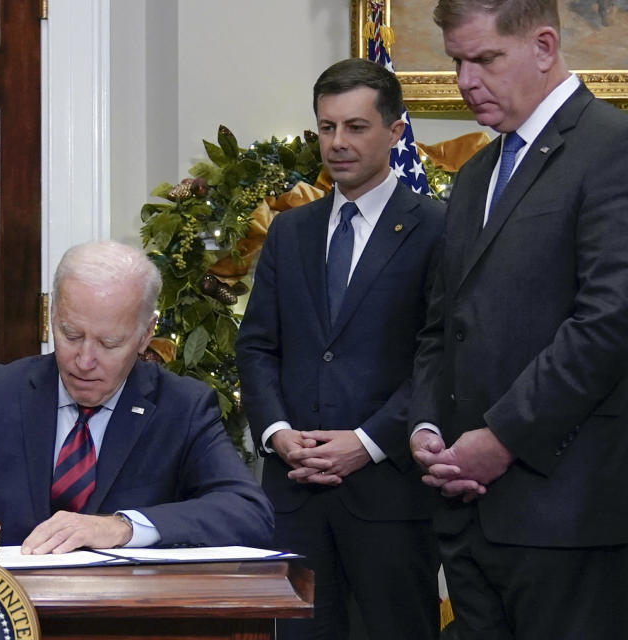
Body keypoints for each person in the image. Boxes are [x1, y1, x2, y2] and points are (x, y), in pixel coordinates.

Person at [409, 1, 628, 637]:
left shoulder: (611, 148)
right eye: (456, 61)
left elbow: (609, 321)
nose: (465, 81)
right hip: (468, 513)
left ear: (543, 46)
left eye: (485, 59)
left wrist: (502, 438)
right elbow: (440, 324)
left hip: (567, 515)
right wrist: (426, 425)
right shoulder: (478, 172)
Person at [0, 241, 273, 553]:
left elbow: (248, 512)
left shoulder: (182, 406)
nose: (84, 360)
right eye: (70, 335)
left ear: (146, 335)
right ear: (52, 316)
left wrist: (121, 528)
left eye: (109, 343)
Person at [235, 58, 444, 640]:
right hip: (294, 497)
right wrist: (277, 433)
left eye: (355, 127)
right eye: (327, 128)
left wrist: (369, 443)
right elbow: (256, 348)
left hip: (391, 499)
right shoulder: (289, 230)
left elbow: (441, 357)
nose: (338, 143)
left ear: (395, 131)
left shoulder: (437, 227)